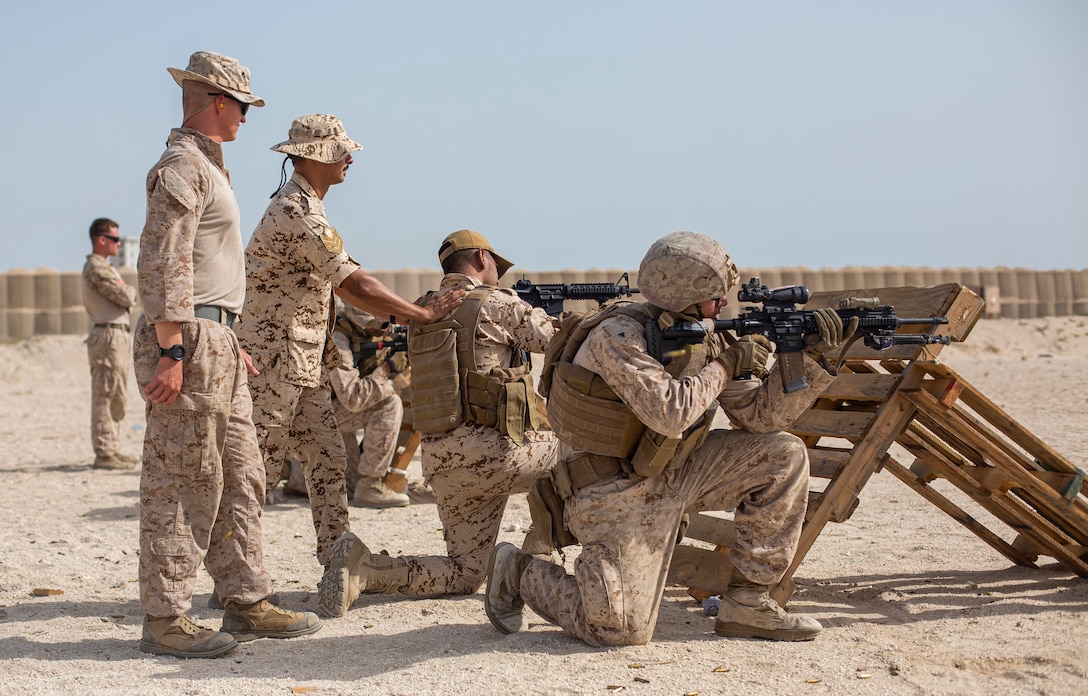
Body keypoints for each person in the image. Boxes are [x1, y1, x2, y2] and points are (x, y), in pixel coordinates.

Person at [484, 231, 849, 647]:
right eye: (716, 295)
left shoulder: (708, 334)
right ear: (686, 294)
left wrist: (817, 359)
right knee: (617, 631)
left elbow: (761, 417)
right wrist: (726, 365)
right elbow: (670, 411)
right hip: (610, 490)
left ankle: (748, 601)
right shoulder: (618, 335)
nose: (723, 304)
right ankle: (519, 570)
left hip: (676, 469)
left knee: (782, 453)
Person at [235, 114, 464, 618]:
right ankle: (236, 584)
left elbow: (346, 284)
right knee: (256, 472)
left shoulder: (308, 208)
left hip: (305, 364)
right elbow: (353, 283)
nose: (349, 158)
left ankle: (337, 559)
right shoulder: (295, 212)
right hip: (273, 365)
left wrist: (407, 311)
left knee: (328, 460)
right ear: (315, 155)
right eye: (340, 150)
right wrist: (420, 312)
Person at [134, 51, 321, 659]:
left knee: (241, 473)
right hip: (186, 338)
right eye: (242, 106)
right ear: (217, 101)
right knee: (183, 477)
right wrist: (173, 347)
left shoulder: (212, 167)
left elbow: (210, 266)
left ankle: (243, 598)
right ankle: (164, 617)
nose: (246, 118)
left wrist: (225, 336)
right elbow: (167, 260)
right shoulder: (180, 167)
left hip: (216, 338)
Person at [322, 229, 558, 618]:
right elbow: (558, 339)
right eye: (497, 265)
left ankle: (366, 569)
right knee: (586, 455)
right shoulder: (496, 304)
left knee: (464, 573)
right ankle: (530, 559)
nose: (499, 273)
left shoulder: (421, 313)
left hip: (444, 464)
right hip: (498, 453)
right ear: (482, 258)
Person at [328, 300, 410, 508]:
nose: (384, 332)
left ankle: (290, 472)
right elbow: (352, 398)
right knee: (388, 404)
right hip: (321, 419)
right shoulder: (338, 340)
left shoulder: (367, 334)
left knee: (345, 486)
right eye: (379, 327)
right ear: (362, 324)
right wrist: (387, 370)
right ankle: (370, 484)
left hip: (331, 419)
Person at [82, 217, 139, 469]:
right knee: (106, 391)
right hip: (107, 335)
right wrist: (126, 290)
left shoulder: (106, 267)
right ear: (101, 239)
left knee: (116, 390)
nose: (118, 244)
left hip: (116, 335)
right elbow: (125, 295)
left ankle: (112, 447)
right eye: (115, 239)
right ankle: (104, 452)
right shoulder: (96, 267)